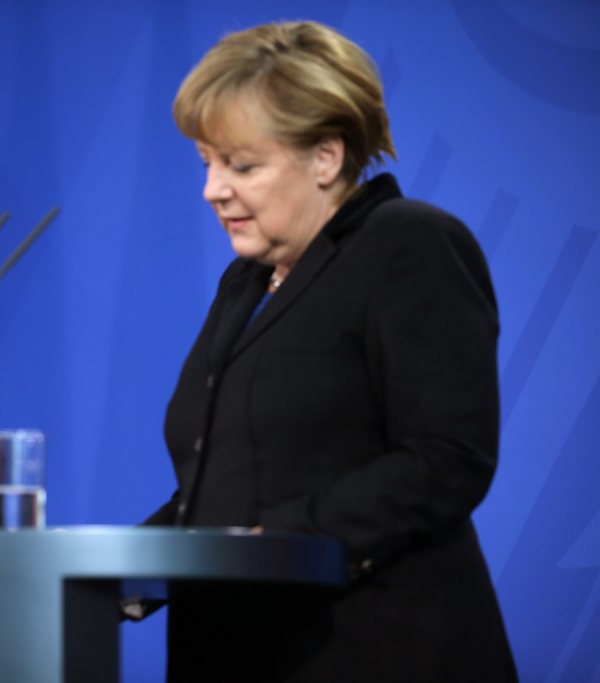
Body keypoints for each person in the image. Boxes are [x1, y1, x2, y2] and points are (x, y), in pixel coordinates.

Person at [144, 21, 518, 682]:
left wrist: (282, 543)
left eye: (242, 164)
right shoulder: (246, 282)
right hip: (235, 651)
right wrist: (123, 566)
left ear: (326, 156)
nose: (212, 190)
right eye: (207, 162)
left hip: (372, 649)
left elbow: (447, 456)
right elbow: (233, 484)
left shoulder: (409, 244)